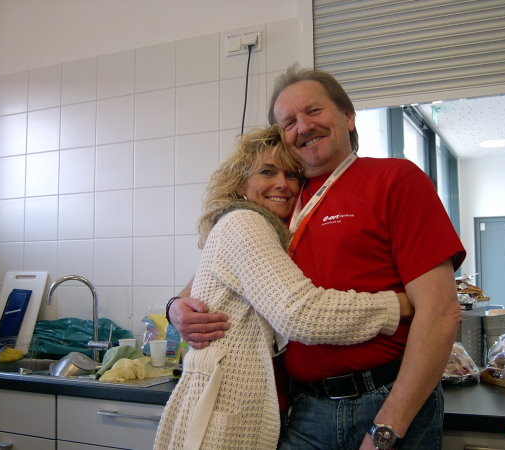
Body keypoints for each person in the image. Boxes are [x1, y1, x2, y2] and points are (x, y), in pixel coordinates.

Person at [168, 67, 466, 449]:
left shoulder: (395, 179)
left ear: (348, 116)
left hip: (384, 396)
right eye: (289, 122)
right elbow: (217, 271)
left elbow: (441, 312)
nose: (304, 127)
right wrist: (176, 307)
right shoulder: (280, 201)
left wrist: (388, 427)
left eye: (313, 111)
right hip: (305, 408)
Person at [154, 125, 412, 450]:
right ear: (240, 183)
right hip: (224, 417)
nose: (282, 184)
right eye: (267, 172)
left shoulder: (269, 231)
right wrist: (398, 305)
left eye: (292, 175)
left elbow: (198, 289)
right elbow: (300, 314)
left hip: (265, 408)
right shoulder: (244, 222)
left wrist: (174, 306)